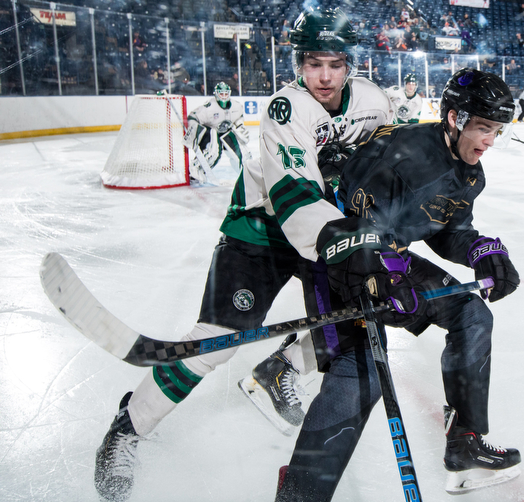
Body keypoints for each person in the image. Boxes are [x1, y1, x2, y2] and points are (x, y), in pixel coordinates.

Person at [93, 7, 395, 502]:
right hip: (263, 225)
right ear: (299, 63)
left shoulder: (373, 102)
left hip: (329, 226)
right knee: (218, 340)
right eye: (312, 63)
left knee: (350, 322)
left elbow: (390, 160)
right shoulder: (285, 108)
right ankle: (129, 425)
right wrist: (351, 243)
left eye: (334, 64)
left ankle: (281, 370)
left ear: (350, 64)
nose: (323, 76)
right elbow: (296, 197)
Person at [242, 68, 522, 499]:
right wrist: (386, 272)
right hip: (336, 253)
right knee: (360, 374)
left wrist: (483, 251)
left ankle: (465, 441)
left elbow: (448, 230)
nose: (488, 140)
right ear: (454, 118)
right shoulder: (404, 151)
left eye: (496, 131)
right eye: (483, 127)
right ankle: (301, 493)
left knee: (471, 313)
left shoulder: (470, 174)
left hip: (386, 256)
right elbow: (349, 218)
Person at [181, 81, 250, 182]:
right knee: (213, 152)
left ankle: (248, 174)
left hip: (226, 132)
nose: (224, 96)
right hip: (209, 134)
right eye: (221, 94)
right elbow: (193, 117)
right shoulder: (209, 107)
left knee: (242, 153)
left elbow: (238, 119)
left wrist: (240, 128)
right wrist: (194, 131)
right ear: (216, 94)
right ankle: (195, 169)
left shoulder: (236, 106)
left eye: (226, 93)